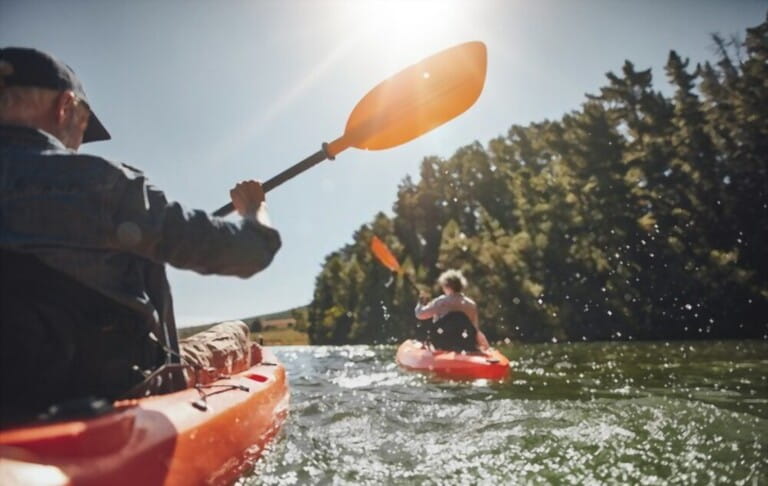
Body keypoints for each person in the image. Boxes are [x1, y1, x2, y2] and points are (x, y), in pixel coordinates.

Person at [0, 47, 281, 418]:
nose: (80, 142)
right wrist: (254, 209)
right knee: (237, 332)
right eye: (83, 125)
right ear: (65, 108)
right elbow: (251, 252)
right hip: (119, 393)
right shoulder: (108, 185)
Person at [414, 269, 490, 352]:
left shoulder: (441, 302)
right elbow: (474, 328)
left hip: (442, 343)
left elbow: (420, 314)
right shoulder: (471, 304)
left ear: (447, 286)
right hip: (465, 343)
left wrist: (421, 302)